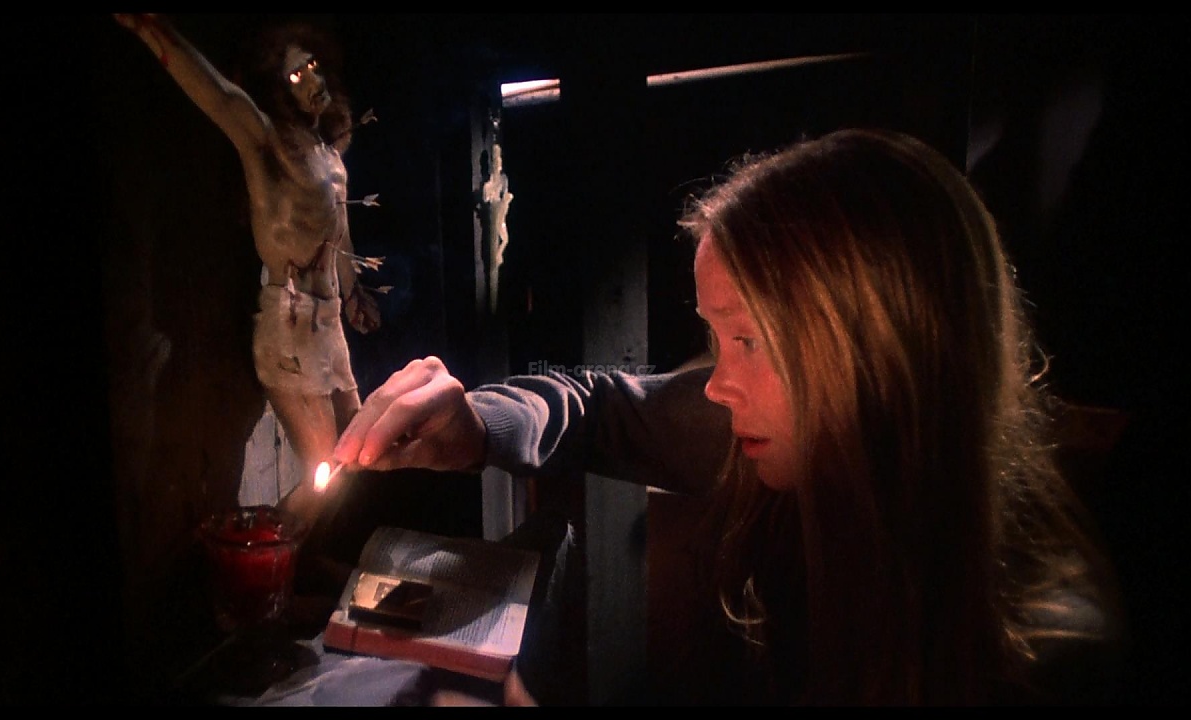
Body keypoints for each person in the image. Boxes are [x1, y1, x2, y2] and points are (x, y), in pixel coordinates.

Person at [330, 128, 1127, 705]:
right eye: (717, 339)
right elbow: (602, 406)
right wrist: (474, 425)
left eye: (749, 340)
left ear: (882, 349)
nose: (716, 387)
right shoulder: (779, 433)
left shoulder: (1039, 657)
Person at [114, 14, 383, 534]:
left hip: (327, 325)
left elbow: (340, 236)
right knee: (325, 472)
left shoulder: (330, 156)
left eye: (312, 66)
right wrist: (153, 29)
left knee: (355, 452)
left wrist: (354, 296)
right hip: (290, 323)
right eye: (295, 75)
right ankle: (260, 559)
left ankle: (289, 558)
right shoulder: (267, 142)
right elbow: (218, 96)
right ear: (278, 90)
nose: (311, 79)